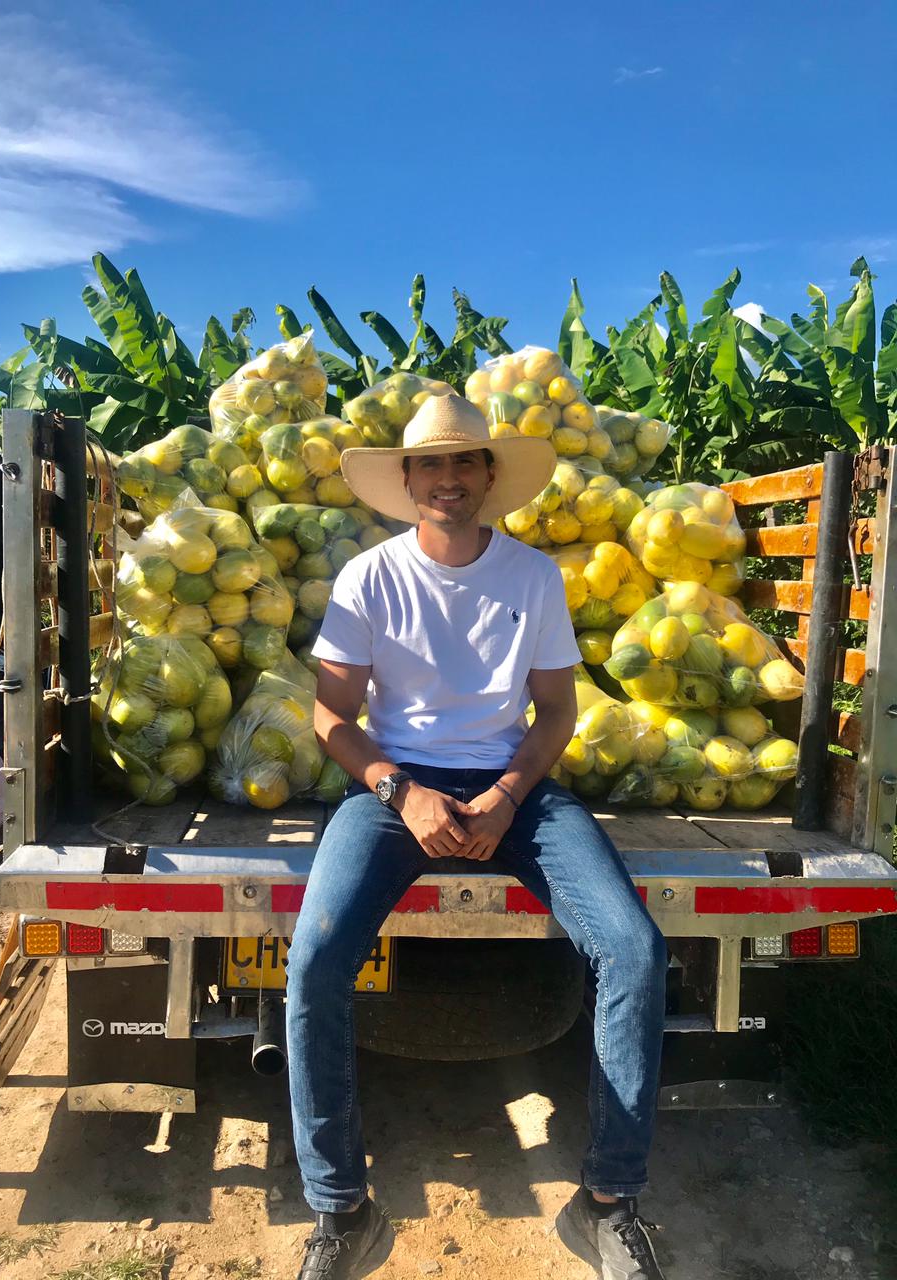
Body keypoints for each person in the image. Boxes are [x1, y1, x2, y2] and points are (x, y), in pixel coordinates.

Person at [285, 393, 668, 1280]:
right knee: (313, 961)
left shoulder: (532, 576)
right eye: (431, 465)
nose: (448, 479)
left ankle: (607, 1203)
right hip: (393, 794)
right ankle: (342, 1212)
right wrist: (398, 788)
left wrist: (504, 795)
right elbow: (330, 714)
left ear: (490, 476)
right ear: (407, 480)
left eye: (465, 463)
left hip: (517, 793)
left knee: (635, 951)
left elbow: (558, 710)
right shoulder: (369, 577)